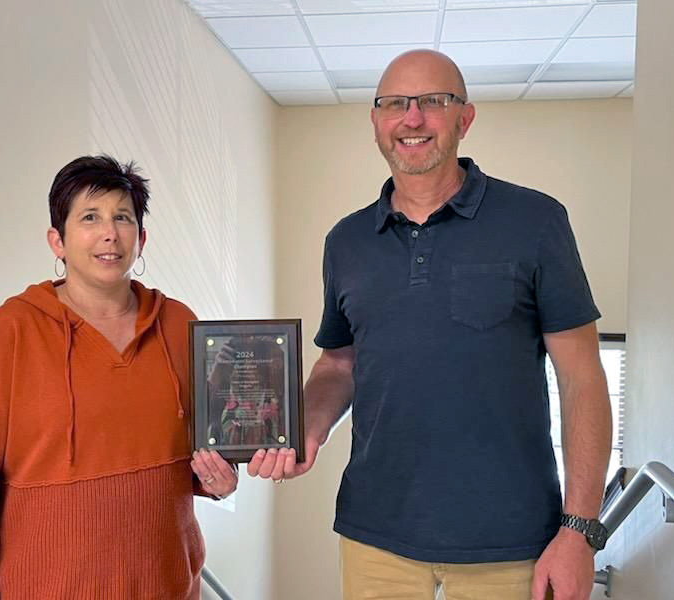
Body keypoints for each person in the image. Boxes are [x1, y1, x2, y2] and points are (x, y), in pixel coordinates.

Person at [249, 50, 612, 600]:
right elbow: (340, 362)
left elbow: (583, 378)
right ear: (376, 121)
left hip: (511, 541)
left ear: (464, 118)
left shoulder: (536, 221)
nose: (412, 118)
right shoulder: (345, 242)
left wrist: (580, 531)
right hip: (376, 535)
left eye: (433, 102)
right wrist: (306, 427)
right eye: (394, 103)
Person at [0, 155, 237, 599]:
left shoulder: (179, 326)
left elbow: (202, 448)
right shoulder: (8, 334)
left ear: (141, 237)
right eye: (90, 217)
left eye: (123, 217)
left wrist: (219, 479)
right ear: (57, 241)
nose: (109, 233)